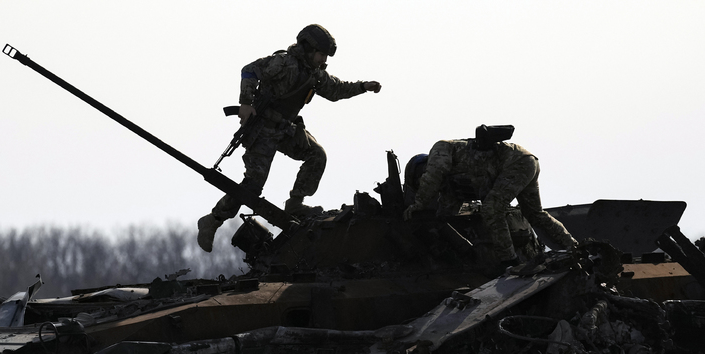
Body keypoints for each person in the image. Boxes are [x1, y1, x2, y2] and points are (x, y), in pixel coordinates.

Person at [198, 24, 382, 252]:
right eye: (321, 54)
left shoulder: (314, 74)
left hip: (285, 130)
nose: (323, 59)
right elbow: (249, 70)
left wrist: (363, 87)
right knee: (253, 186)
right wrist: (246, 102)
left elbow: (336, 90)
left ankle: (295, 204)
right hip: (263, 129)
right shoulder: (284, 63)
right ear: (307, 48)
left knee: (317, 155)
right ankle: (212, 220)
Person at [403, 138, 577, 268]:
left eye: (421, 179)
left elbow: (434, 175)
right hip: (524, 163)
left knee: (493, 209)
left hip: (517, 162)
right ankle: (573, 246)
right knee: (534, 213)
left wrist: (418, 204)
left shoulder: (440, 149)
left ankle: (510, 262)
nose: (423, 183)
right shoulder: (451, 187)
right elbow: (448, 212)